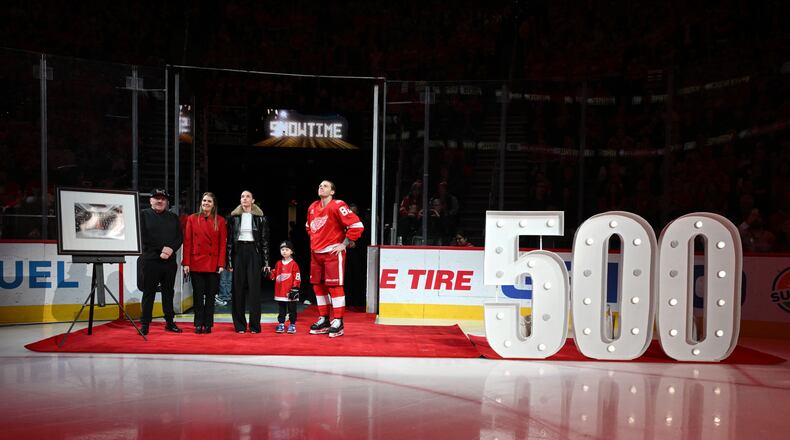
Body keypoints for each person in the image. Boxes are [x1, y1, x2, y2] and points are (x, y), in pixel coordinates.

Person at [306, 180, 364, 337]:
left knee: (335, 286)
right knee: (318, 286)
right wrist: (316, 241)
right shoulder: (312, 207)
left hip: (332, 253)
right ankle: (324, 319)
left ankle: (338, 321)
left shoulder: (338, 205)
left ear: (332, 192)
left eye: (325, 186)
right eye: (319, 185)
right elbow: (308, 227)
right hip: (316, 253)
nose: (321, 187)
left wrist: (344, 244)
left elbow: (357, 226)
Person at [139, 188, 184, 335]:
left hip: (169, 262)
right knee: (148, 293)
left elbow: (179, 237)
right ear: (151, 200)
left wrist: (171, 249)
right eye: (157, 198)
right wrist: (162, 249)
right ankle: (145, 324)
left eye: (163, 198)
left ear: (166, 201)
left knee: (168, 293)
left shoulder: (173, 217)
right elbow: (143, 236)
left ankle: (170, 323)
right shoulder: (143, 215)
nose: (160, 201)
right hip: (151, 260)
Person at [182, 192, 227, 334]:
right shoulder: (192, 219)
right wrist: (186, 263)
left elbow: (222, 245)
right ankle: (198, 323)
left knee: (210, 296)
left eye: (209, 201)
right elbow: (187, 242)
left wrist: (221, 264)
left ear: (213, 205)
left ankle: (208, 324)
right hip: (196, 262)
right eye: (204, 200)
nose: (206, 203)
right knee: (198, 295)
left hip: (213, 263)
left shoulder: (219, 221)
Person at [226, 190, 270, 334]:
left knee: (254, 290)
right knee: (238, 289)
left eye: (248, 196)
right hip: (239, 253)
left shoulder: (260, 217)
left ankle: (255, 326)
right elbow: (230, 242)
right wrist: (230, 262)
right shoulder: (233, 217)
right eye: (242, 196)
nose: (245, 199)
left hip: (254, 253)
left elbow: (264, 242)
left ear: (253, 200)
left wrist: (266, 262)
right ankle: (239, 325)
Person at [270, 240, 301, 334]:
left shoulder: (294, 264)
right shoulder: (278, 263)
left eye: (287, 249)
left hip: (290, 291)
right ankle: (281, 324)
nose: (284, 251)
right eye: (282, 249)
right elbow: (274, 275)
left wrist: (295, 288)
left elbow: (297, 276)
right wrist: (269, 273)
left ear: (291, 251)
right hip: (280, 291)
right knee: (281, 309)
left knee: (292, 309)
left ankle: (292, 324)